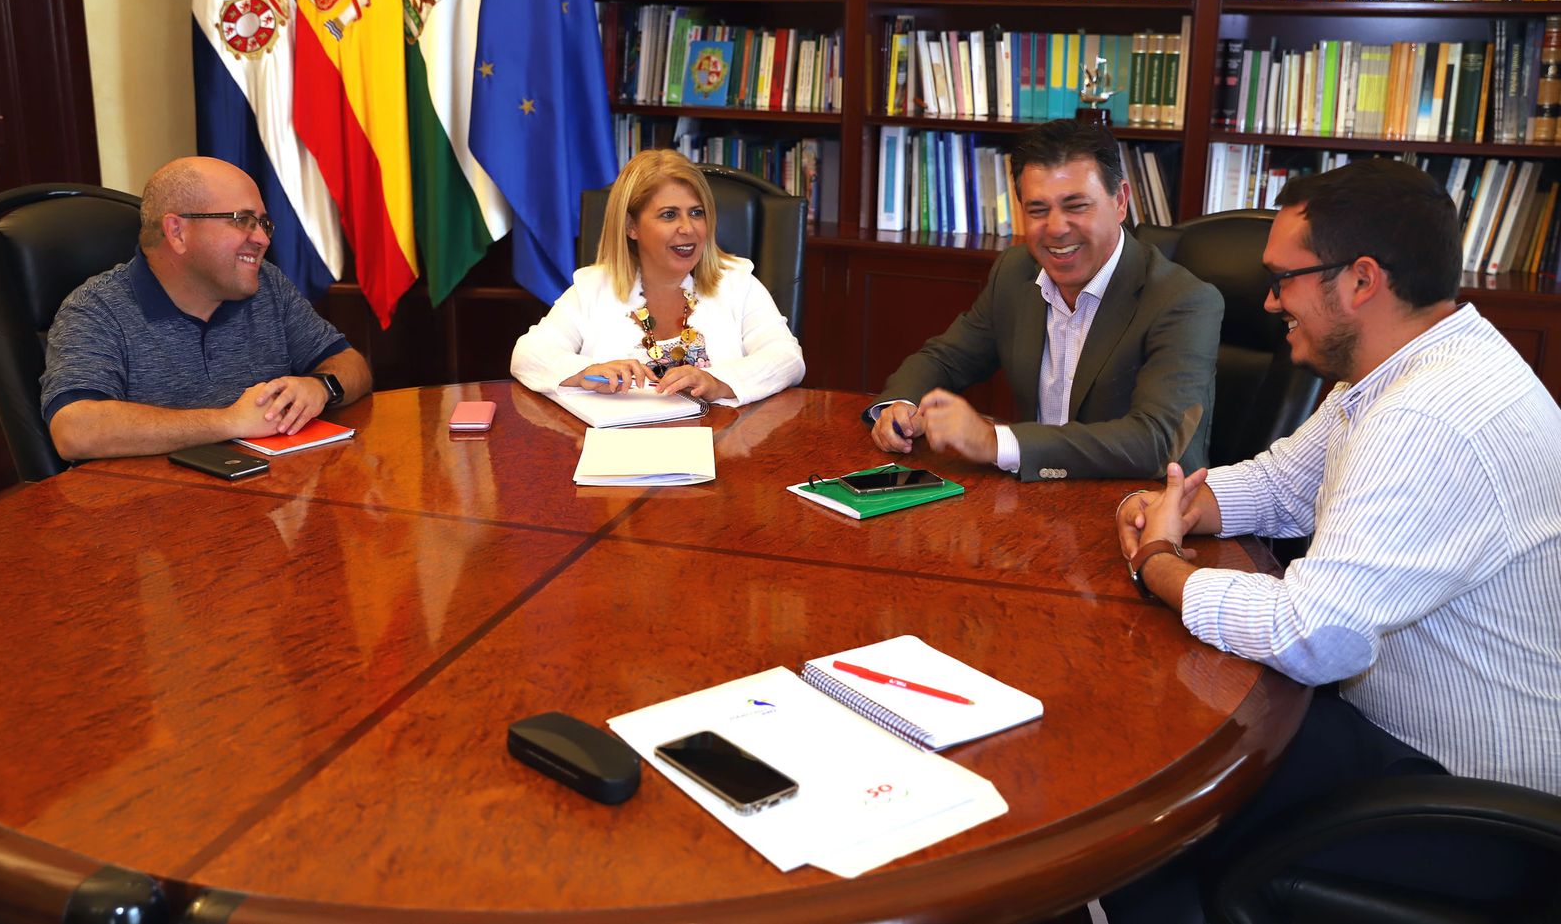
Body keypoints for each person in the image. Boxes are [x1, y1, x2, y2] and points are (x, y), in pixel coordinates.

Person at [1106, 158, 1561, 921]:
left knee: (1146, 811)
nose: (1271, 299)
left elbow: (1313, 632)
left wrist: (1159, 563)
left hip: (1464, 807)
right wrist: (1178, 503)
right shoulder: (1405, 367)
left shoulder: (1428, 416)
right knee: (1171, 729)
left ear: (1360, 280)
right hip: (1400, 741)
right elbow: (1287, 484)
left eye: (1285, 278)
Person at [867, 119, 1222, 480]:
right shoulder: (1015, 272)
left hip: (1139, 510)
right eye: (1038, 210)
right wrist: (902, 406)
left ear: (1120, 202)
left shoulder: (1184, 300)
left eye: (1076, 206)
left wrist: (997, 442)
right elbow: (945, 358)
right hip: (1038, 502)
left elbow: (1158, 441)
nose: (1055, 228)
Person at [40, 156, 372, 461]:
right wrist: (230, 421)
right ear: (177, 232)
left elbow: (351, 364)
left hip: (263, 504)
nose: (262, 239)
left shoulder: (267, 285)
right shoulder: (97, 308)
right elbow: (74, 430)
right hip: (148, 515)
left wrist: (320, 387)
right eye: (243, 220)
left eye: (263, 224)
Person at [510, 149, 804, 405]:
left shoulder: (737, 282)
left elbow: (787, 358)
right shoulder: (592, 288)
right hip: (620, 450)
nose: (688, 228)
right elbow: (528, 355)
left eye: (697, 213)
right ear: (631, 227)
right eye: (668, 215)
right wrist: (584, 371)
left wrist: (719, 382)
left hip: (721, 445)